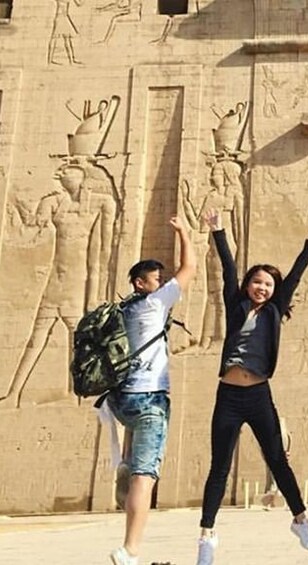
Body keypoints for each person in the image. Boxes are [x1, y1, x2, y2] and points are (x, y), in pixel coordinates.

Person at [196, 210, 308, 564]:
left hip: (257, 394)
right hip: (228, 395)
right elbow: (227, 270)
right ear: (249, 285)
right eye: (257, 282)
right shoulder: (236, 305)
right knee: (219, 466)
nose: (262, 288)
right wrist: (219, 233)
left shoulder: (273, 311)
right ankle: (206, 536)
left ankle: (300, 520)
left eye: (268, 284)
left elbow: (295, 277)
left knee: (277, 460)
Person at [108, 217, 195, 565]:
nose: (163, 284)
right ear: (140, 283)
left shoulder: (120, 310)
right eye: (157, 280)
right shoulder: (155, 304)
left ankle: (127, 468)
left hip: (119, 400)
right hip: (149, 401)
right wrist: (183, 233)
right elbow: (190, 267)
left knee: (137, 467)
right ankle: (129, 549)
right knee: (146, 476)